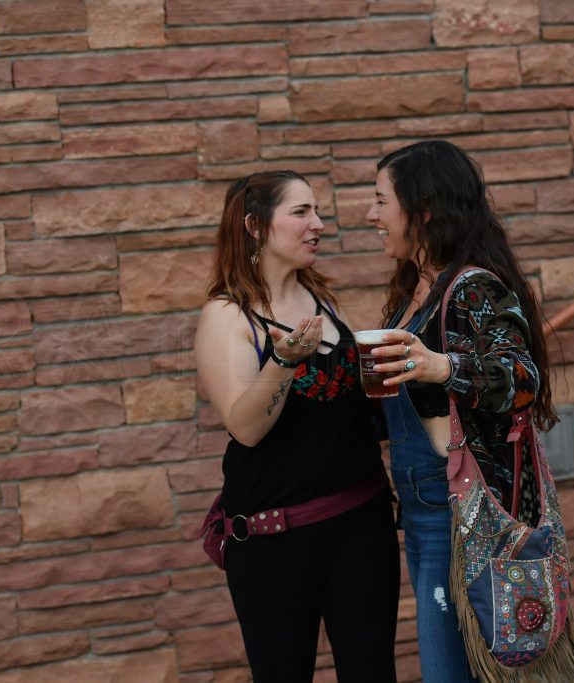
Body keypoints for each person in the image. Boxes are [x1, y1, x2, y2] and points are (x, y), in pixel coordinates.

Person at [365, 141, 574, 683]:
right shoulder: (414, 292)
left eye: (380, 201)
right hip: (420, 507)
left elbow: (522, 379)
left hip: (457, 512)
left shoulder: (472, 286)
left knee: (450, 671)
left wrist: (441, 366)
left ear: (423, 210)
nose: (370, 214)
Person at [194, 170, 399, 683]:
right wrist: (282, 363)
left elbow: (343, 411)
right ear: (255, 226)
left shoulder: (320, 298)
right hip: (275, 540)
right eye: (301, 212)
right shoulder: (228, 316)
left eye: (318, 212)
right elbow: (246, 428)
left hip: (362, 522)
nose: (319, 224)